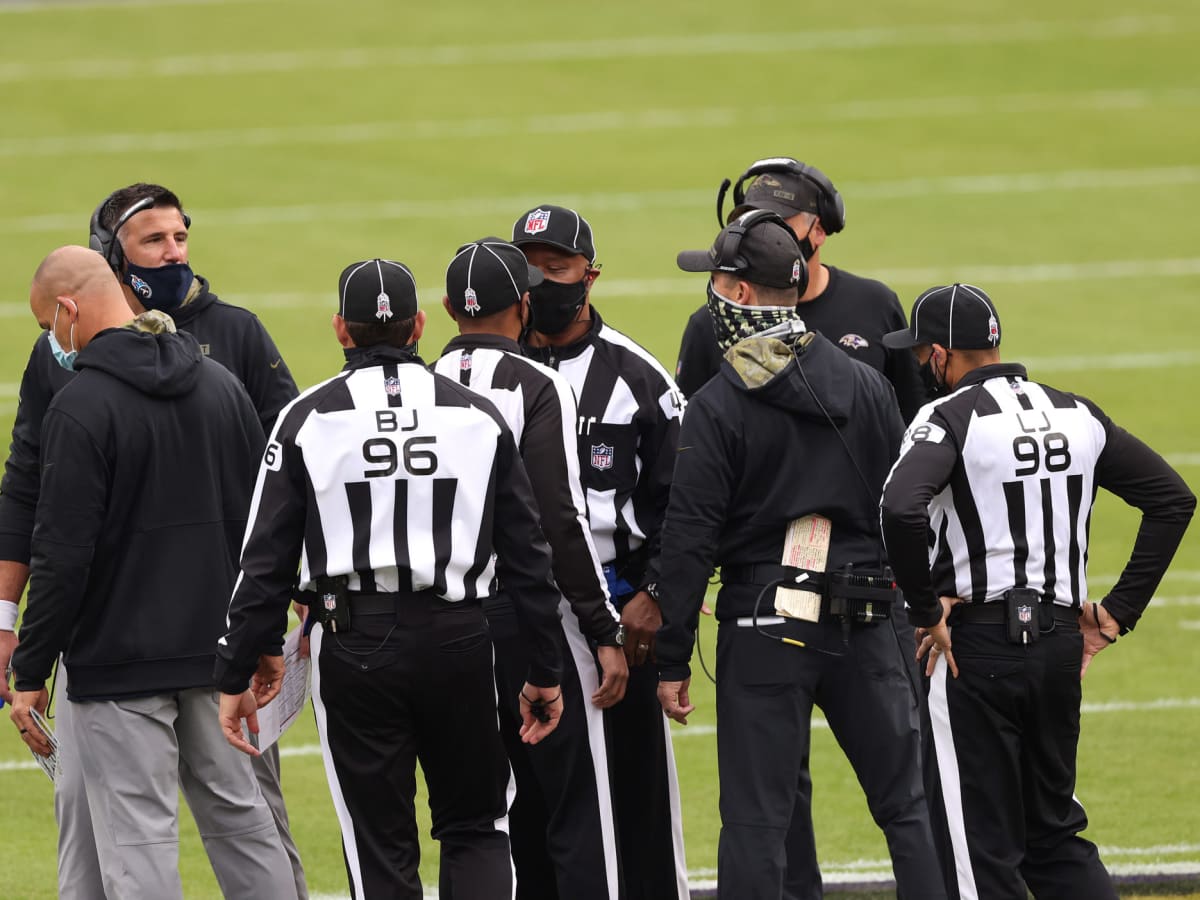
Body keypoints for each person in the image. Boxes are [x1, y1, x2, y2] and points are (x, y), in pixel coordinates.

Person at [214, 258, 567, 900]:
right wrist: (543, 668)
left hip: (355, 641)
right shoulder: (476, 416)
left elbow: (262, 563)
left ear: (341, 331)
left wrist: (238, 668)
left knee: (379, 844)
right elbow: (530, 556)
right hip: (460, 634)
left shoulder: (305, 419)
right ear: (421, 326)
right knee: (477, 827)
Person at [0, 182, 306, 899]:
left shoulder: (78, 406)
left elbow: (63, 553)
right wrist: (262, 636)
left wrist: (28, 669)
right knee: (246, 827)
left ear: (70, 311)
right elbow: (257, 525)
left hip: (115, 667)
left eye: (52, 324)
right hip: (216, 651)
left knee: (138, 842)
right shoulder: (222, 385)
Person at [656, 212, 947, 900]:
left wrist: (672, 656)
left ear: (748, 294)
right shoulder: (870, 385)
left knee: (757, 823)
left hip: (765, 625)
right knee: (909, 810)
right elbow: (901, 507)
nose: (715, 294)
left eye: (722, 281)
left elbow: (689, 534)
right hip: (869, 613)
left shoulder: (718, 401)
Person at [879, 283, 1195, 899]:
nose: (921, 368)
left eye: (923, 357)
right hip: (1056, 646)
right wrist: (1115, 614)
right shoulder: (1076, 412)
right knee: (1053, 836)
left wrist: (924, 607)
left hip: (975, 649)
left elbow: (900, 505)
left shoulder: (946, 418)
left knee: (976, 847)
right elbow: (1172, 499)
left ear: (942, 355)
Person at [434, 237, 628, 899]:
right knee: (574, 810)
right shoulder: (539, 384)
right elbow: (558, 522)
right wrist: (603, 630)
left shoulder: (420, 384)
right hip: (525, 622)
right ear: (523, 303)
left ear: (445, 310)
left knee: (474, 818)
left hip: (443, 626)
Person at [513, 204, 690, 900]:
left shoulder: (639, 379)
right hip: (517, 615)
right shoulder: (486, 367)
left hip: (618, 614)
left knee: (633, 801)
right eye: (528, 269)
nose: (541, 282)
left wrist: (657, 601)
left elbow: (686, 505)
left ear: (590, 276)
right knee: (523, 802)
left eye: (555, 269)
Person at [674, 157, 924, 422]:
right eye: (753, 222)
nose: (764, 233)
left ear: (819, 231)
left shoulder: (877, 305)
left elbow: (911, 417)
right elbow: (687, 429)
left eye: (779, 222)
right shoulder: (709, 324)